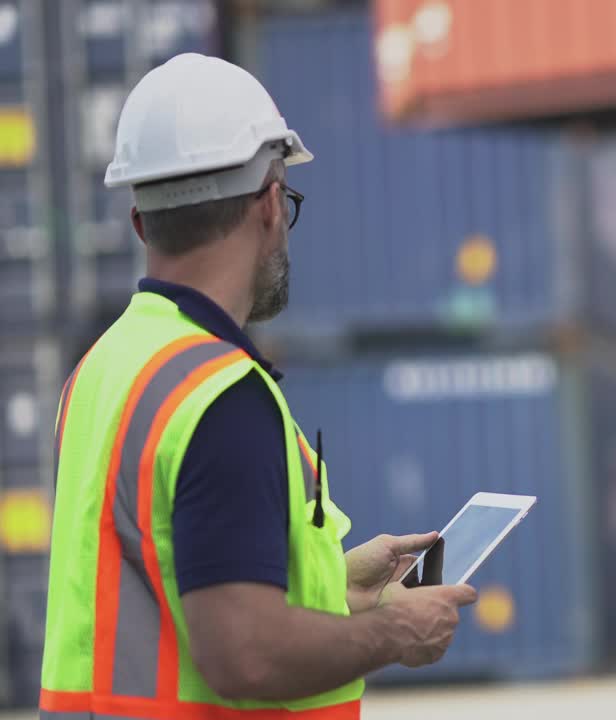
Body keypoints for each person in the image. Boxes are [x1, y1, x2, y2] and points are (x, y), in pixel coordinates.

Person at [39, 53, 476, 719]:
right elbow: (245, 655)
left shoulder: (102, 369)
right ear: (271, 204)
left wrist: (336, 585)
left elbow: (163, 589)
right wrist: (395, 632)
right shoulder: (220, 397)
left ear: (138, 223)